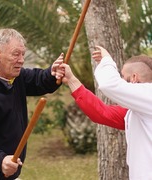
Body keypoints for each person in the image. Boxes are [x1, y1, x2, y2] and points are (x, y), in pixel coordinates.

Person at [0, 28, 64, 179]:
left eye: (23, 54)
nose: (21, 60)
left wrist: (52, 73)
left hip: (8, 174)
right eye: (16, 54)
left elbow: (38, 80)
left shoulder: (15, 77)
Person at [58, 46, 152, 180]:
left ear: (134, 78)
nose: (120, 79)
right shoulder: (137, 110)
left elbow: (109, 84)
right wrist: (71, 80)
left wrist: (107, 60)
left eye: (122, 76)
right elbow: (102, 113)